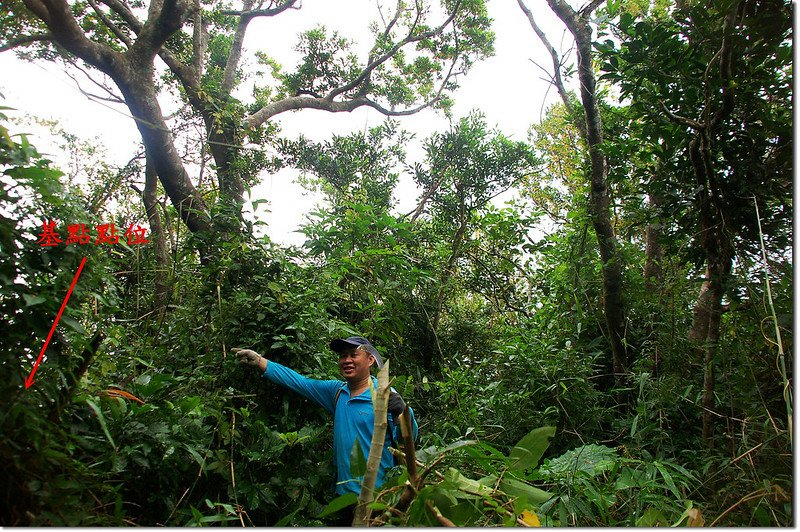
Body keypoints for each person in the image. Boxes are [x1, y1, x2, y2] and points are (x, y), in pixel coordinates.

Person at [232, 336, 418, 499]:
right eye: (342, 356)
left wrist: (403, 411)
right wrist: (259, 361)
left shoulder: (384, 394)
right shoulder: (336, 392)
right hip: (344, 496)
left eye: (353, 354)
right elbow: (300, 382)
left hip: (379, 496)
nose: (347, 360)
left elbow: (409, 438)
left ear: (370, 360)